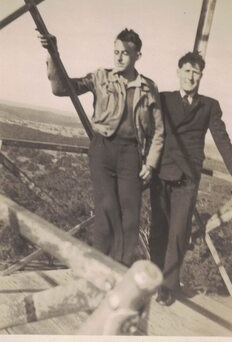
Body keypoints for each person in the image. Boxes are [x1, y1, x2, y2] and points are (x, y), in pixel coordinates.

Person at [39, 28, 164, 266]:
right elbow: (61, 88)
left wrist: (151, 162)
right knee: (106, 210)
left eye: (125, 53)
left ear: (138, 55)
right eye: (115, 52)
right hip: (103, 150)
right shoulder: (100, 77)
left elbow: (158, 130)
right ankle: (99, 265)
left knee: (130, 214)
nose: (118, 57)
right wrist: (53, 54)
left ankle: (120, 268)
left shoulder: (148, 88)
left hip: (131, 155)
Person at [149, 51, 232, 306]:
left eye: (195, 72)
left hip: (187, 178)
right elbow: (145, 127)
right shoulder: (163, 99)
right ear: (178, 72)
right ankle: (156, 280)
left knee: (178, 233)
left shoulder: (209, 105)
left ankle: (167, 287)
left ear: (201, 76)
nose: (190, 76)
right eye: (186, 70)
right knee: (159, 230)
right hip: (161, 173)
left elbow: (222, 140)